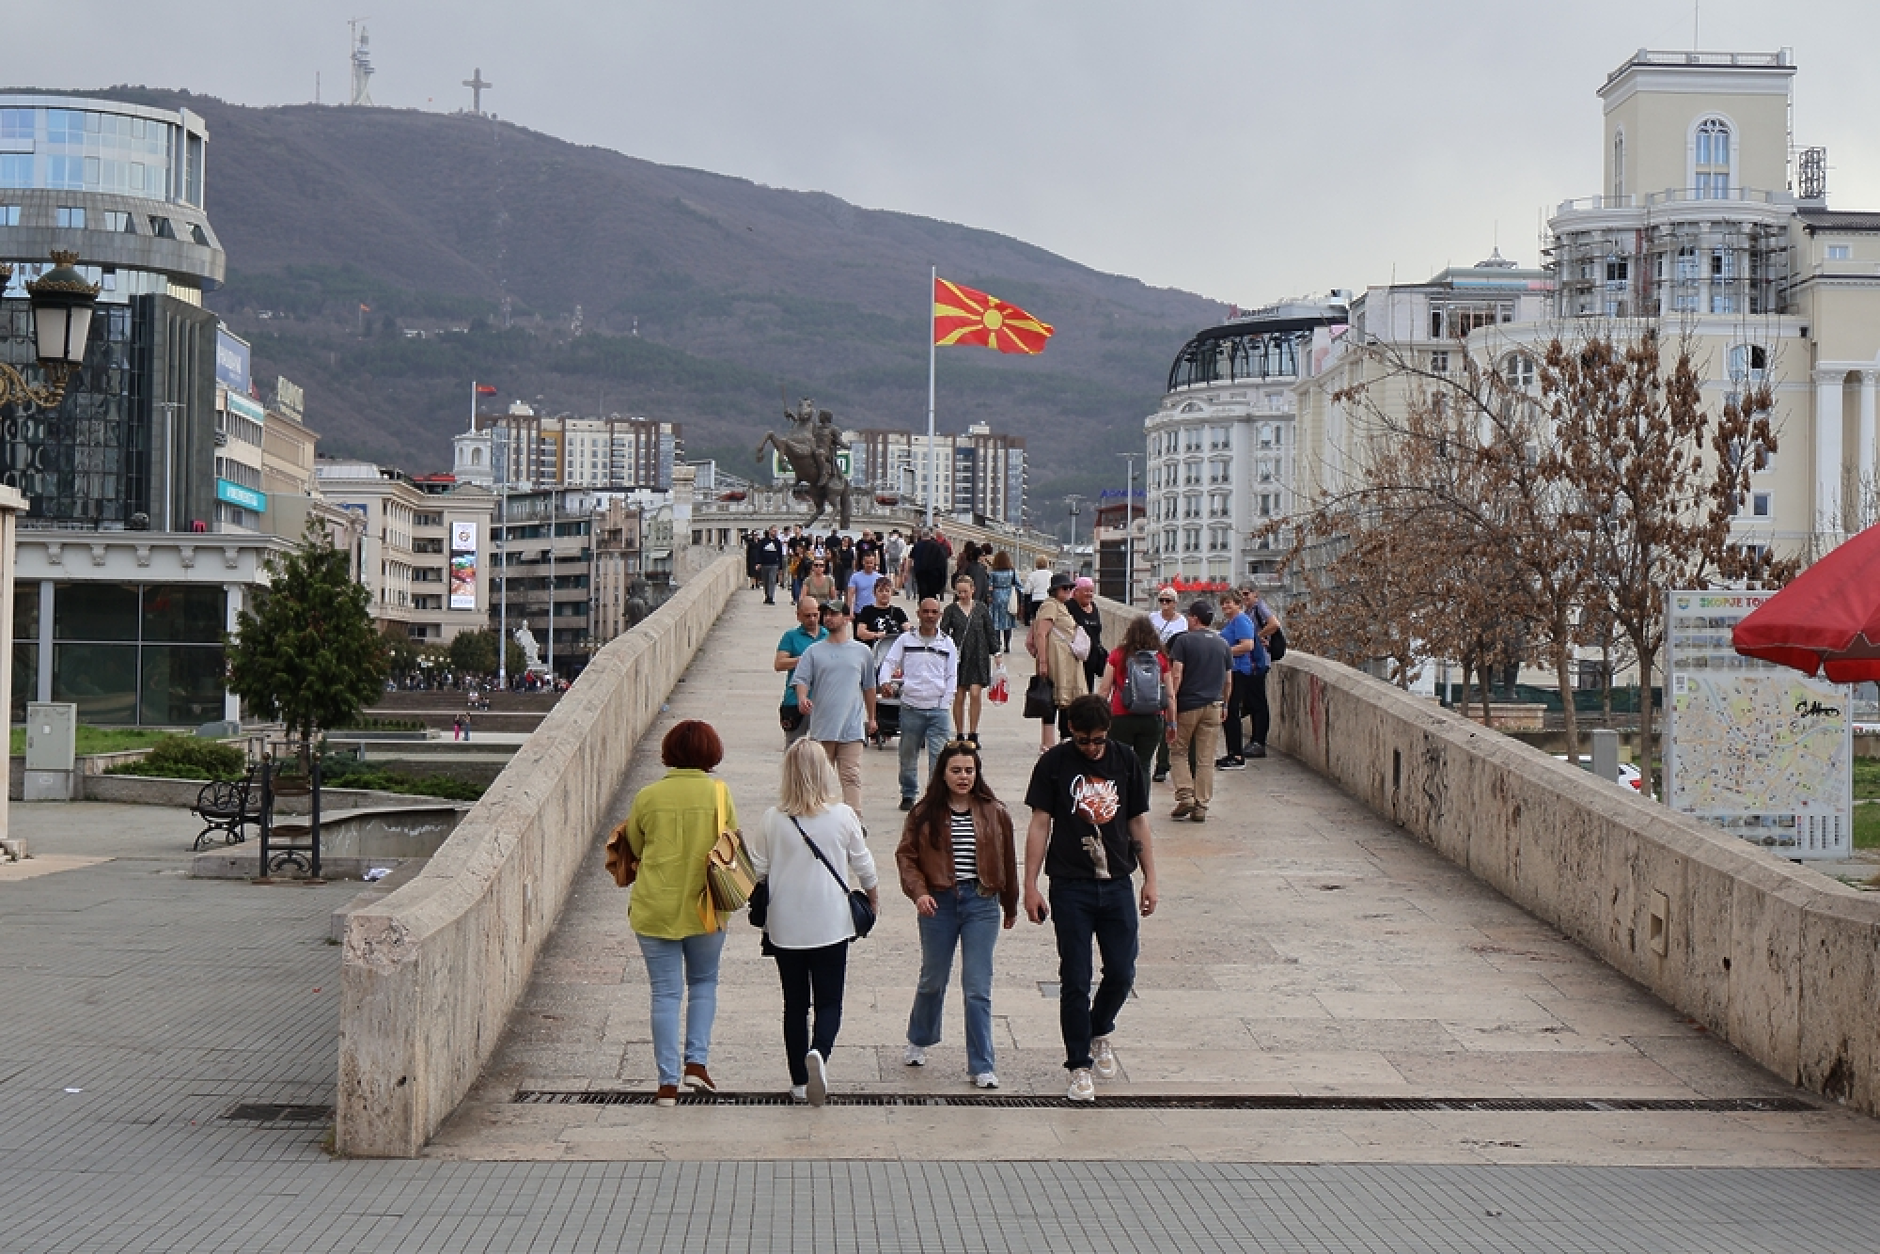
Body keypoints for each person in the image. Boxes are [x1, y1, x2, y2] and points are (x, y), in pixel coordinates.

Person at [1022, 695, 1158, 1104]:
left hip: (1117, 881)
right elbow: (1039, 824)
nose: (1092, 749)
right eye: (1083, 741)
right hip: (1070, 883)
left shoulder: (1125, 761)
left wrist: (1151, 878)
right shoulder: (1054, 765)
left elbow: (1137, 821)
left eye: (1098, 741)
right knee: (1075, 979)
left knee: (1121, 972)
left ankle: (1100, 1028)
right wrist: (1029, 884)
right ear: (1071, 734)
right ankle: (1078, 1065)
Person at [748, 739, 880, 1105]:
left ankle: (798, 1082)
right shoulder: (842, 816)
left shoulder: (772, 819)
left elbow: (758, 871)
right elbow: (864, 865)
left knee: (794, 1004)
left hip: (785, 925)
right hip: (831, 923)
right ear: (825, 773)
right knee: (829, 1001)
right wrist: (873, 900)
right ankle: (819, 1052)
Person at [621, 719, 734, 1105]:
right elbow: (731, 844)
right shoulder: (720, 794)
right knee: (704, 983)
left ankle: (667, 1084)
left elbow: (634, 845)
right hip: (706, 907)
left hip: (656, 906)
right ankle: (696, 1063)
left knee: (665, 994)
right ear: (711, 752)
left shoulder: (648, 796)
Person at [896, 740, 1018, 1089]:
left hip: (981, 903)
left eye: (969, 770)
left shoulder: (995, 812)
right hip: (938, 903)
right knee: (933, 979)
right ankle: (919, 1037)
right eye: (956, 770)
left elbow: (1008, 860)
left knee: (977, 987)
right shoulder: (923, 814)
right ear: (943, 773)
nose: (963, 777)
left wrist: (1010, 905)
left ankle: (982, 1065)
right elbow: (906, 857)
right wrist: (918, 893)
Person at [792, 600, 879, 816]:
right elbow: (801, 680)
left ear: (847, 618)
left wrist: (873, 718)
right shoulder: (814, 652)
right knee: (819, 776)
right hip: (823, 727)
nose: (828, 618)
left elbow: (869, 687)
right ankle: (817, 816)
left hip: (851, 728)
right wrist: (802, 698)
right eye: (826, 614)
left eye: (834, 614)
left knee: (851, 776)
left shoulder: (862, 652)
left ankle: (854, 820)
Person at [879, 598, 957, 811]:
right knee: (908, 754)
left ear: (939, 615)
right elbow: (889, 662)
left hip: (937, 708)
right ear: (919, 613)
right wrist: (885, 681)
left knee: (939, 757)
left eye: (934, 612)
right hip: (911, 707)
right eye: (926, 612)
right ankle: (908, 793)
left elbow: (951, 676)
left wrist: (945, 701)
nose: (930, 616)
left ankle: (935, 797)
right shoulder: (906, 640)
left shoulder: (947, 644)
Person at [1166, 599, 1233, 823]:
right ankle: (1201, 805)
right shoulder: (1222, 643)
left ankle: (1185, 794)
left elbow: (1177, 674)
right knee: (1205, 758)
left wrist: (1171, 701)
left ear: (1194, 618)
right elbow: (1228, 680)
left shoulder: (1183, 642)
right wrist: (1225, 704)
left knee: (1178, 750)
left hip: (1188, 705)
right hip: (1213, 705)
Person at [1094, 614, 1175, 795]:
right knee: (1144, 765)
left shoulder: (1118, 655)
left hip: (1121, 716)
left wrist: (1099, 718)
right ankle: (1140, 809)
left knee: (1118, 763)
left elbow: (1104, 689)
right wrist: (1172, 722)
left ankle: (1119, 804)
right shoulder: (1161, 658)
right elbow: (1170, 694)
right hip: (1152, 718)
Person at [1026, 571, 1088, 751]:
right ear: (1055, 590)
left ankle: (1059, 740)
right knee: (1052, 700)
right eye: (1065, 588)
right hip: (1057, 661)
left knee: (1062, 700)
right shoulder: (1050, 606)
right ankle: (1048, 743)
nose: (1069, 591)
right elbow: (1041, 633)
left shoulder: (1059, 605)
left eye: (1070, 587)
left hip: (1066, 661)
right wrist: (1043, 662)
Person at [941, 573, 995, 746]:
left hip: (979, 655)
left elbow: (990, 630)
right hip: (958, 657)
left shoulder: (981, 609)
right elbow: (943, 633)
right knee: (959, 695)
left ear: (973, 590)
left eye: (965, 591)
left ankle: (973, 732)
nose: (962, 595)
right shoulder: (950, 610)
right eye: (959, 592)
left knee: (975, 693)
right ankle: (959, 733)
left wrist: (997, 652)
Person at [1215, 590, 1262, 772]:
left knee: (1232, 711)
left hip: (1239, 672)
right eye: (1223, 603)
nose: (1226, 606)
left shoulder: (1241, 620)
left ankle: (1237, 756)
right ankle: (1232, 752)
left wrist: (1225, 652)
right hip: (1232, 670)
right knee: (1229, 712)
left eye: (1229, 603)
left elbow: (1247, 645)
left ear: (1238, 604)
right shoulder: (1232, 622)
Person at [774, 596, 827, 748]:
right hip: (795, 701)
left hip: (822, 701)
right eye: (807, 616)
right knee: (794, 747)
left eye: (815, 615)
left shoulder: (828, 636)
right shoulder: (791, 636)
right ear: (798, 616)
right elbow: (779, 664)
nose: (812, 619)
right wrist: (803, 660)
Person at [1148, 586, 1187, 782]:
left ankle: (1162, 764)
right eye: (1161, 600)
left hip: (1171, 669)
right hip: (1153, 667)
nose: (1164, 604)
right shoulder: (1152, 618)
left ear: (1175, 603)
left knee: (1169, 714)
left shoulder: (1182, 622)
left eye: (1168, 601)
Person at [1242, 589, 1280, 759]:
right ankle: (1255, 740)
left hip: (1259, 661)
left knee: (1258, 703)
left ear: (1255, 594)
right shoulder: (1248, 611)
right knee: (1252, 701)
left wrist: (1257, 637)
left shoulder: (1259, 607)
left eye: (1247, 594)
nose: (1244, 598)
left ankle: (1259, 742)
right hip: (1251, 663)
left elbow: (1274, 624)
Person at [1069, 577, 1106, 693]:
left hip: (1093, 657)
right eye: (1086, 591)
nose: (1089, 594)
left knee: (1089, 691)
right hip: (1076, 658)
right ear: (1076, 592)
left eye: (1091, 591)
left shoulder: (1094, 607)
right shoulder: (1069, 606)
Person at [854, 573, 909, 645]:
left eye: (887, 591)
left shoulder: (898, 612)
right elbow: (860, 633)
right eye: (881, 591)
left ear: (891, 593)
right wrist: (876, 635)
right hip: (875, 650)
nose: (884, 594)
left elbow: (908, 629)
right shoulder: (867, 611)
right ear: (874, 593)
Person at [986, 550, 1018, 654]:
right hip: (1008, 597)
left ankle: (997, 644)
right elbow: (1019, 585)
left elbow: (990, 586)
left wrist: (989, 596)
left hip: (996, 596)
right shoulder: (1011, 572)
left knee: (996, 622)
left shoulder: (993, 573)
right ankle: (1007, 645)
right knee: (1007, 623)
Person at [908, 528, 950, 601]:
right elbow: (942, 562)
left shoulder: (917, 545)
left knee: (922, 591)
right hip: (933, 574)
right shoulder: (937, 546)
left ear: (921, 535)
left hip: (920, 573)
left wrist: (907, 571)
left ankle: (923, 606)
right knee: (931, 593)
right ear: (930, 535)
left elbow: (911, 559)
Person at [953, 541, 989, 607]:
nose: (985, 557)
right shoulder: (979, 570)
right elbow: (979, 587)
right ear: (979, 557)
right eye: (983, 555)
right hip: (973, 602)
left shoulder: (969, 566)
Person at [755, 528, 785, 605]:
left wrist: (780, 567)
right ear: (770, 531)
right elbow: (759, 552)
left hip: (774, 564)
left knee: (772, 580)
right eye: (774, 531)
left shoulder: (777, 542)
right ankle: (767, 595)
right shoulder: (763, 541)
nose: (775, 533)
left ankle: (771, 596)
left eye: (776, 531)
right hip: (764, 564)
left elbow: (780, 554)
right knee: (765, 581)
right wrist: (758, 562)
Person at [1022, 556, 1054, 627]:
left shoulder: (1033, 575)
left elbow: (1027, 590)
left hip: (1036, 600)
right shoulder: (1050, 574)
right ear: (1047, 564)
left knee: (1036, 620)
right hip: (1047, 599)